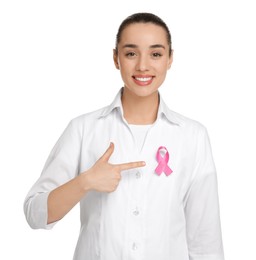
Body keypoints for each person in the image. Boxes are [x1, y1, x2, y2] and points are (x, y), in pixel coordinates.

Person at [24, 12, 224, 260]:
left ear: (170, 58)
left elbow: (205, 242)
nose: (142, 65)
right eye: (131, 53)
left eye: (156, 54)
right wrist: (85, 182)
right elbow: (35, 214)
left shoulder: (193, 136)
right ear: (116, 58)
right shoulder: (83, 129)